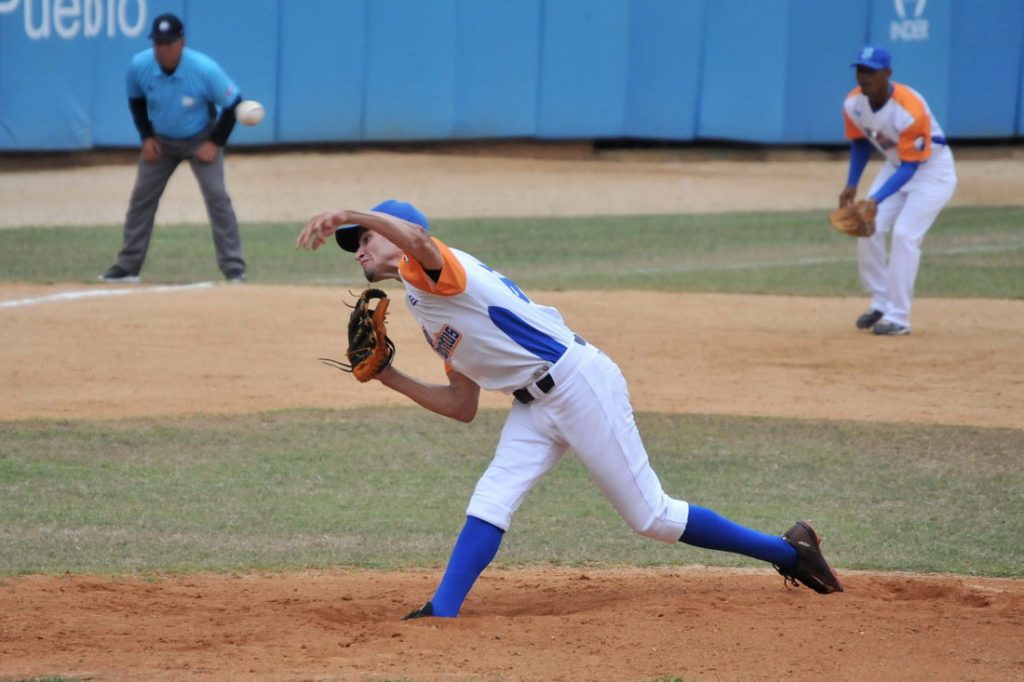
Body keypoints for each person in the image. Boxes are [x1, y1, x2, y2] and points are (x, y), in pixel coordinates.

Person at [295, 199, 844, 619]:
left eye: (365, 237)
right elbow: (462, 406)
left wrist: (347, 210)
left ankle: (791, 551)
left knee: (650, 517)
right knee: (492, 496)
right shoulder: (422, 305)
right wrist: (389, 376)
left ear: (397, 237)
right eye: (355, 241)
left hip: (580, 385)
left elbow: (417, 237)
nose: (359, 249)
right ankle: (441, 610)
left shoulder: (439, 269)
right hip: (533, 404)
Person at [100, 13, 247, 284]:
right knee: (141, 198)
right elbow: (137, 102)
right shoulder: (139, 66)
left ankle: (234, 269)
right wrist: (146, 137)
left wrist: (214, 142)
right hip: (161, 140)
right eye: (158, 42)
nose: (162, 48)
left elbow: (233, 103)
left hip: (200, 137)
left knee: (218, 198)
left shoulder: (204, 69)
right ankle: (128, 266)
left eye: (168, 42)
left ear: (182, 42)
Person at [839, 44, 957, 335]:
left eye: (872, 72)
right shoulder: (853, 103)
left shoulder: (910, 109)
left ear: (887, 74)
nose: (864, 77)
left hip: (932, 172)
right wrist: (852, 183)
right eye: (861, 71)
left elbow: (911, 167)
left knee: (904, 234)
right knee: (869, 226)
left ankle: (899, 317)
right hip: (895, 166)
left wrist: (875, 198)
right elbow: (861, 141)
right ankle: (880, 300)